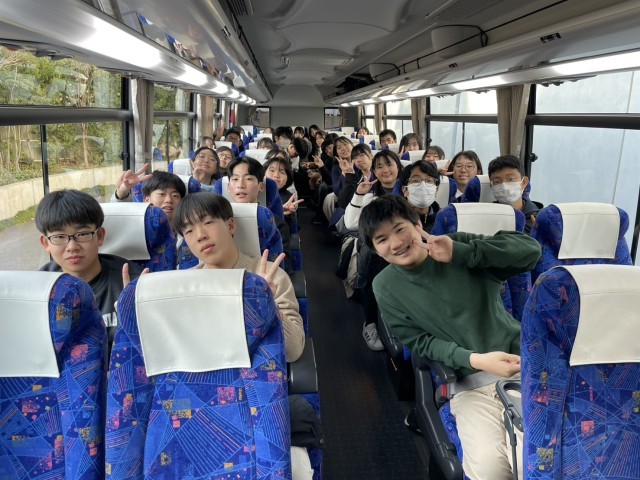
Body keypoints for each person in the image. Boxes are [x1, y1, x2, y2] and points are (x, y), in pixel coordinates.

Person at [360, 195, 541, 480]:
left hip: (523, 368)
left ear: (418, 225)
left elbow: (530, 251)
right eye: (382, 240)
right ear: (375, 250)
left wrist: (462, 252)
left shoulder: (457, 246)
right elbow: (419, 342)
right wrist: (475, 359)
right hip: (468, 384)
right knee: (490, 470)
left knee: (532, 459)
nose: (395, 243)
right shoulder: (384, 286)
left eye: (399, 229)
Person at [172, 193, 313, 480]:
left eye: (208, 222)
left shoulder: (271, 276)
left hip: (257, 395)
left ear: (231, 225)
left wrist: (266, 304)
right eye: (188, 231)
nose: (200, 235)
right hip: (199, 399)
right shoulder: (180, 288)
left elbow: (295, 349)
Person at [36, 189, 146, 348]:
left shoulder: (134, 283)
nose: (72, 247)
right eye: (59, 237)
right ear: (46, 243)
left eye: (82, 234)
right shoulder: (38, 290)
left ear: (100, 236)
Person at [226, 157, 290, 271]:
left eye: (248, 179)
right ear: (228, 188)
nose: (240, 185)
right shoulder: (218, 219)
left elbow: (283, 266)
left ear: (261, 186)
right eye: (235, 179)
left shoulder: (276, 223)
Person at [488, 154, 542, 234]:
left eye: (511, 179)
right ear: (491, 186)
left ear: (524, 182)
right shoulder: (486, 214)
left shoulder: (539, 219)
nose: (504, 186)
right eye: (497, 182)